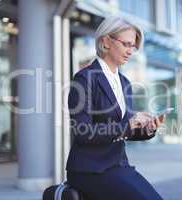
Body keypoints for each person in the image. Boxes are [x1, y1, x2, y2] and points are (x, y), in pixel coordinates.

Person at [66, 16, 165, 200]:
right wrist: (128, 125)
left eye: (133, 46)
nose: (130, 51)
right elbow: (83, 132)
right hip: (90, 169)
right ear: (106, 41)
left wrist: (147, 128)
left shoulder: (125, 82)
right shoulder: (85, 79)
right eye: (126, 44)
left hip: (118, 165)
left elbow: (125, 129)